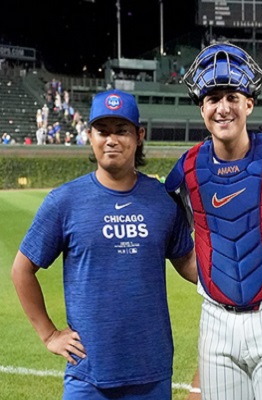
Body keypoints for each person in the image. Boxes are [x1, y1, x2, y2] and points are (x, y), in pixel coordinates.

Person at [11, 89, 197, 399]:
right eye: (102, 130)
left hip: (151, 372)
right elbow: (21, 270)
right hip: (88, 377)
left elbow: (189, 264)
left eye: (122, 130)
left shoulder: (163, 200)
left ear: (139, 136)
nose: (111, 139)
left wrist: (238, 280)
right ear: (90, 136)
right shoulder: (65, 201)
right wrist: (50, 335)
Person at [165, 43, 262, 400]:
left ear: (249, 103)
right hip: (217, 323)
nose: (223, 107)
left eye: (232, 96)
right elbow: (174, 238)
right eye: (213, 98)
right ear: (201, 107)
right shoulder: (186, 170)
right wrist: (208, 276)